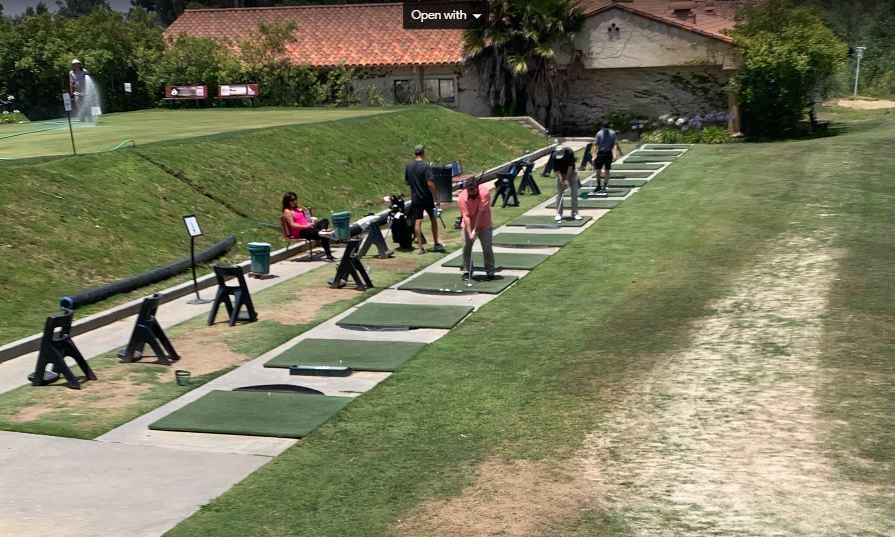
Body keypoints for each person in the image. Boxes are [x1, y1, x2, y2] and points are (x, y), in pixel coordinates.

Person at [404, 144, 444, 254]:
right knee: (433, 219)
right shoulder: (426, 167)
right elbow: (430, 183)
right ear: (423, 152)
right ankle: (436, 243)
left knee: (418, 221)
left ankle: (421, 248)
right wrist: (436, 197)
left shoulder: (409, 166)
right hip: (426, 198)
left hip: (416, 198)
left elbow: (407, 182)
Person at [457, 175, 495, 281]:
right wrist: (470, 232)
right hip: (467, 225)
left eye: (474, 190)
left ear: (477, 187)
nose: (472, 193)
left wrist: (475, 229)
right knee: (466, 248)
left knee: (487, 249)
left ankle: (490, 271)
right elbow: (466, 216)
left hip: (485, 224)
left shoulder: (485, 193)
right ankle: (467, 271)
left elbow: (481, 212)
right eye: (470, 190)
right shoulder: (462, 197)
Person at [281, 192, 336, 261]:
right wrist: (306, 226)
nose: (295, 201)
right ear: (287, 201)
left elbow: (299, 216)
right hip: (301, 231)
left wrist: (303, 211)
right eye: (292, 200)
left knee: (325, 220)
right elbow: (293, 225)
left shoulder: (295, 209)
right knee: (323, 235)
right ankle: (329, 255)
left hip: (309, 227)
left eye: (295, 199)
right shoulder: (287, 212)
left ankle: (323, 231)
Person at [553, 144, 582, 222]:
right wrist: (562, 182)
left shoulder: (570, 152)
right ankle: (559, 214)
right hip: (561, 173)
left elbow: (570, 168)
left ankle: (575, 213)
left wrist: (566, 180)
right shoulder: (554, 156)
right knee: (560, 194)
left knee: (574, 193)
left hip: (571, 173)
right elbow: (557, 171)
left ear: (564, 152)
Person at [592, 121, 619, 191]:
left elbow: (615, 144)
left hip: (608, 153)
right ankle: (598, 185)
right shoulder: (599, 134)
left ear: (608, 128)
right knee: (598, 171)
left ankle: (604, 186)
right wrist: (594, 154)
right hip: (600, 153)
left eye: (606, 128)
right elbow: (595, 144)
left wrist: (615, 154)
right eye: (603, 128)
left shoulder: (612, 133)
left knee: (607, 170)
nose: (604, 130)